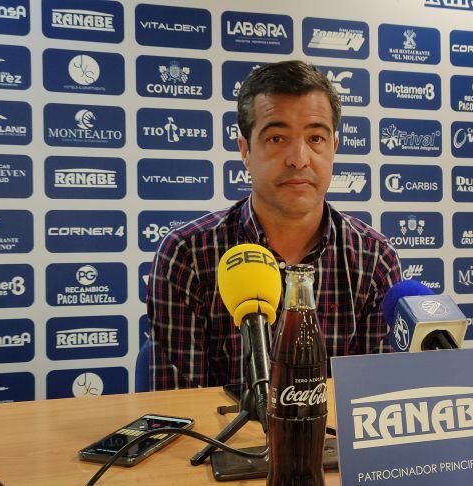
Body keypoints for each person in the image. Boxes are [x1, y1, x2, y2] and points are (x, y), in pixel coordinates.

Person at [147, 60, 402, 390]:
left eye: (315, 138)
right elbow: (180, 410)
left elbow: (374, 403)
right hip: (230, 442)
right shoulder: (188, 255)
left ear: (334, 148)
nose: (299, 158)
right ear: (245, 151)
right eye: (277, 138)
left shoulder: (374, 258)